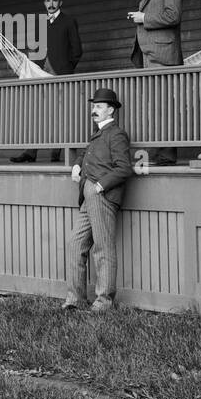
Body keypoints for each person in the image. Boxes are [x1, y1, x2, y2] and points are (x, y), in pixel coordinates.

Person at [64, 88, 133, 313]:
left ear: (110, 110)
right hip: (87, 195)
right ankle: (75, 300)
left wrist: (100, 186)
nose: (94, 110)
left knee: (103, 248)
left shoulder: (116, 134)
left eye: (99, 107)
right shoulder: (96, 134)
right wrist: (76, 164)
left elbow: (124, 168)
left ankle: (104, 302)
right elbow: (87, 155)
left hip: (102, 195)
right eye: (93, 107)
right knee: (76, 244)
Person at [11, 0, 83, 164]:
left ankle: (56, 153)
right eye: (47, 1)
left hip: (61, 75)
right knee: (37, 113)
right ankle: (30, 152)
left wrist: (66, 69)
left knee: (60, 114)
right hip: (40, 74)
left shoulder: (69, 21)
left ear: (60, 2)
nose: (51, 4)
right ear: (44, 3)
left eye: (54, 1)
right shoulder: (40, 23)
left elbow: (77, 51)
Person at [127, 0, 182, 166]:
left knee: (163, 106)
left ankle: (166, 155)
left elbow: (173, 15)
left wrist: (143, 17)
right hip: (151, 55)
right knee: (156, 106)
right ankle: (160, 153)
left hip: (162, 55)